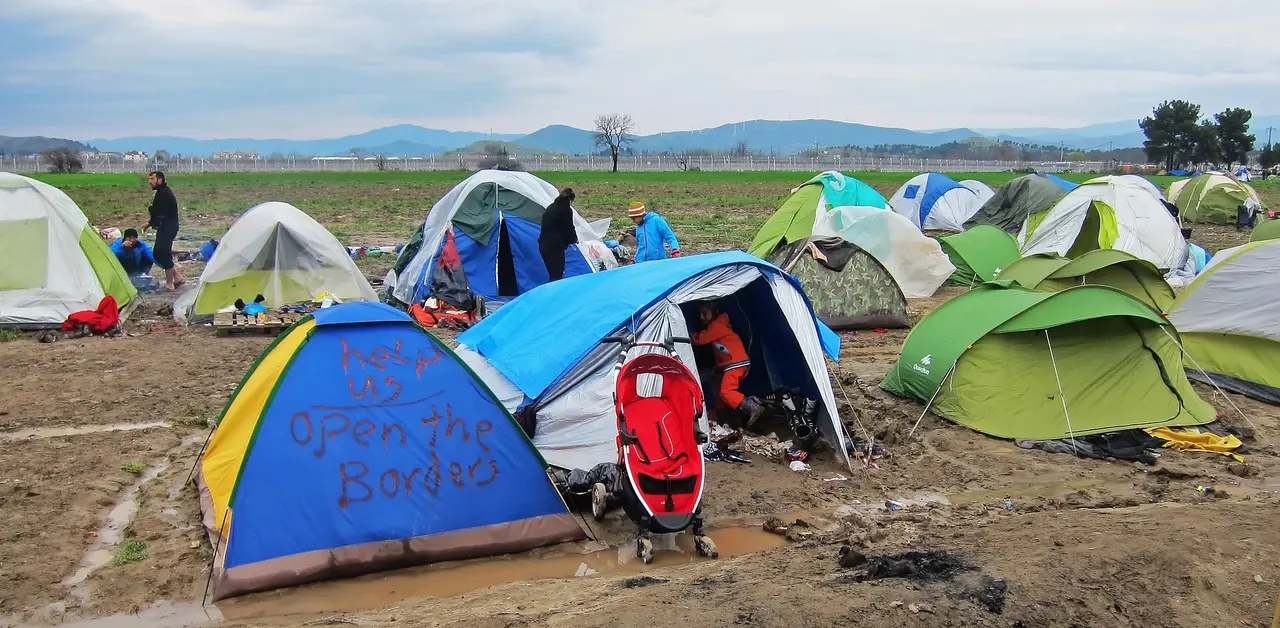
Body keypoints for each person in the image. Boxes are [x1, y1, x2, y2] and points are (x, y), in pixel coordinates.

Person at [690, 301, 765, 428]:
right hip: (735, 363)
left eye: (704, 314)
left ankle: (753, 407)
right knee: (720, 393)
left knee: (726, 391)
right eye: (700, 314)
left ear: (714, 313)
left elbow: (699, 340)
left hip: (736, 363)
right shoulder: (719, 324)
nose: (701, 318)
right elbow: (721, 350)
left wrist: (684, 334)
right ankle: (728, 421)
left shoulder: (716, 326)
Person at [144, 171, 184, 290]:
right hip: (165, 226)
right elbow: (159, 212)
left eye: (152, 179)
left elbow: (160, 213)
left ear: (160, 180)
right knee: (158, 253)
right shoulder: (161, 193)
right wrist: (150, 223)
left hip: (169, 226)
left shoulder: (164, 194)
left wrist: (151, 218)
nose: (150, 181)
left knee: (163, 252)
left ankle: (170, 283)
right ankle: (177, 277)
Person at [539, 187, 579, 281]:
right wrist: (574, 239)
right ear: (570, 200)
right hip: (554, 247)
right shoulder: (566, 210)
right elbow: (569, 228)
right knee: (557, 275)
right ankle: (555, 294)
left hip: (543, 245)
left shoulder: (551, 207)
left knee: (552, 273)